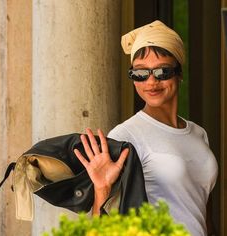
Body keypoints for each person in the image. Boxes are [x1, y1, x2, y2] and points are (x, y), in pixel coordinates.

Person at [74, 20, 218, 236]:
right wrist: (102, 189)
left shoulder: (199, 134)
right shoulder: (125, 136)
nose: (151, 82)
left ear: (179, 73)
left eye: (162, 71)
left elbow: (201, 212)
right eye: (140, 73)